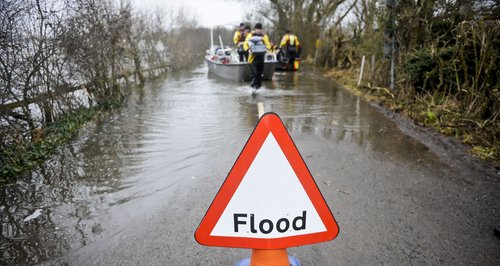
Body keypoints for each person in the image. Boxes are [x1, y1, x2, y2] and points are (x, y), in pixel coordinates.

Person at [244, 23, 271, 89]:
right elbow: (245, 43)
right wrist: (248, 49)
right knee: (255, 73)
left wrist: (267, 48)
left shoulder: (264, 36)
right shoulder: (250, 35)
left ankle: (258, 88)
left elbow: (268, 44)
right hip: (252, 58)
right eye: (257, 29)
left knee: (259, 74)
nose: (258, 30)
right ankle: (253, 88)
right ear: (255, 29)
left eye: (260, 29)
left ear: (261, 30)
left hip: (261, 58)